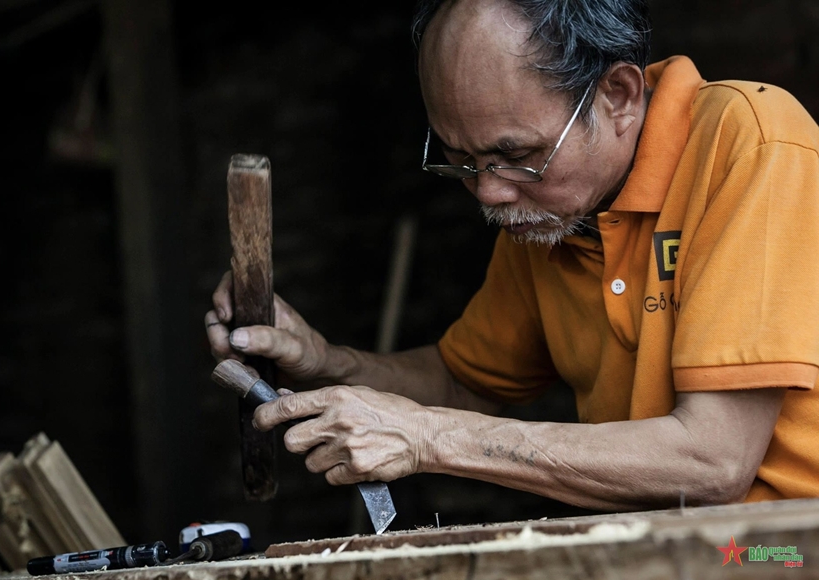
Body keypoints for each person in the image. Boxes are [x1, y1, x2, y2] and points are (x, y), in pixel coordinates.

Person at [205, 0, 819, 511]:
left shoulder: (753, 145)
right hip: (673, 551)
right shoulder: (551, 214)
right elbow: (461, 383)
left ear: (619, 96)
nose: (491, 194)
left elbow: (715, 462)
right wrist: (323, 361)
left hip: (781, 554)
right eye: (464, 162)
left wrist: (429, 437)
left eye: (515, 155)